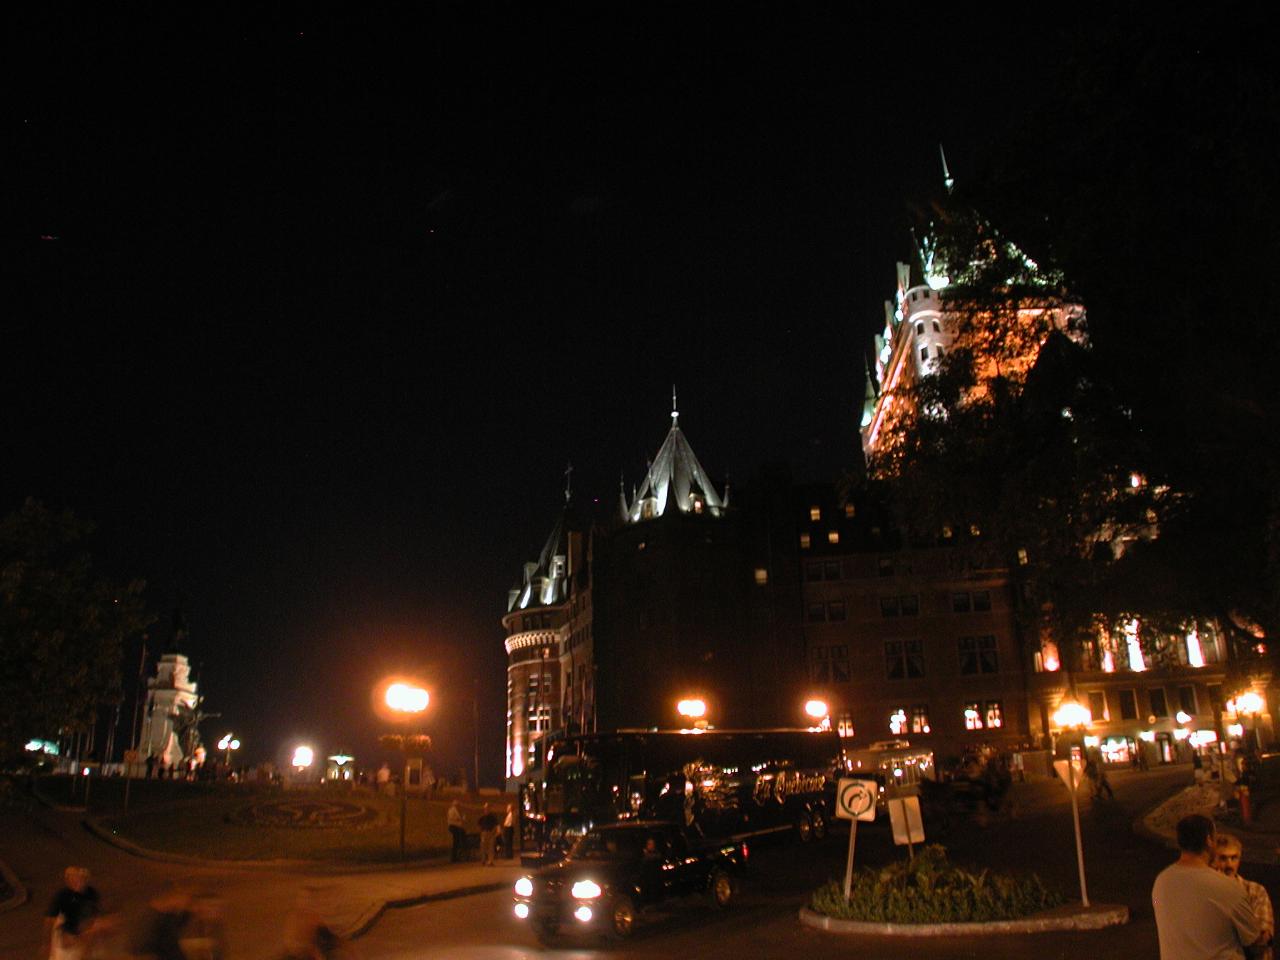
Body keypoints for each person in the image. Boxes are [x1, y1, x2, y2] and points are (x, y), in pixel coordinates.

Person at [1152, 813, 1264, 959]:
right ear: (1209, 840)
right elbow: (1253, 942)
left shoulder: (1160, 883)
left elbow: (1156, 905)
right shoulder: (1228, 888)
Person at [1215, 833, 1275, 960]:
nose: (1229, 865)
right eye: (1223, 858)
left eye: (1234, 858)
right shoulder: (1209, 893)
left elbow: (1263, 937)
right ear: (1214, 860)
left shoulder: (1255, 891)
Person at [128, 880, 195, 960]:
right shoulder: (152, 919)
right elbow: (141, 947)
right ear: (171, 897)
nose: (184, 901)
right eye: (181, 897)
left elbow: (176, 928)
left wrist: (188, 912)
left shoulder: (165, 916)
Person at [45, 866, 101, 960]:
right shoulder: (63, 896)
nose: (78, 882)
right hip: (68, 933)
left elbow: (95, 912)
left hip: (83, 932)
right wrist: (47, 942)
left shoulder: (91, 893)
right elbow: (50, 919)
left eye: (81, 879)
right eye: (73, 879)